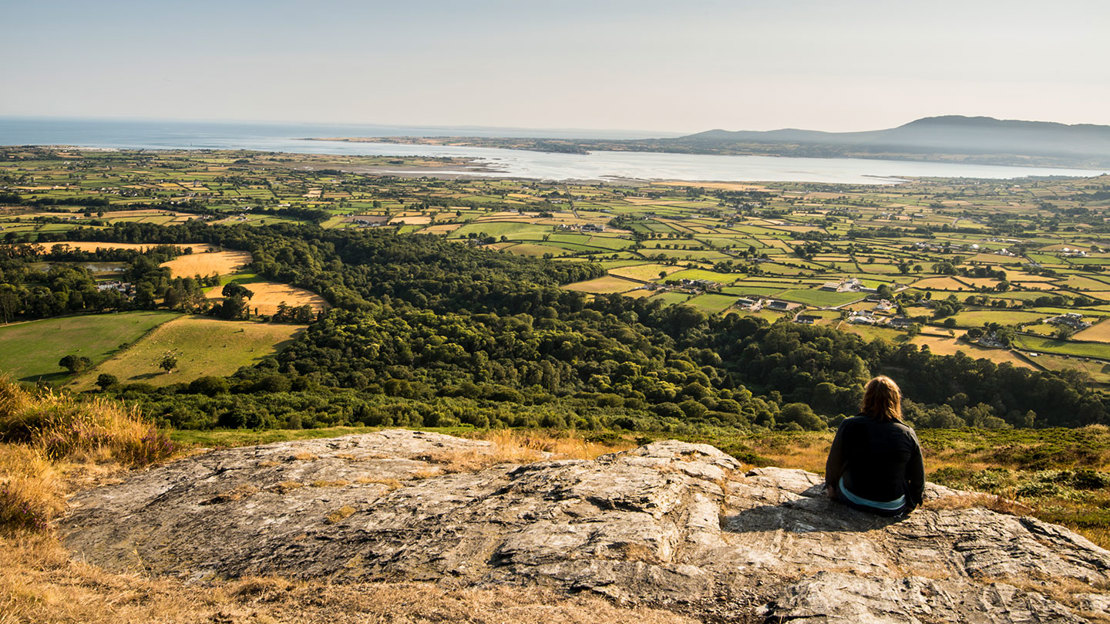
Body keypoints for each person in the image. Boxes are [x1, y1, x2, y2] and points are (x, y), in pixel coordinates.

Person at [825, 375, 924, 517]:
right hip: (891, 505)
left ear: (867, 398)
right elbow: (918, 477)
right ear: (895, 400)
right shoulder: (907, 433)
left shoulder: (849, 425)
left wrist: (831, 487)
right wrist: (913, 502)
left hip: (853, 497)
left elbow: (834, 462)